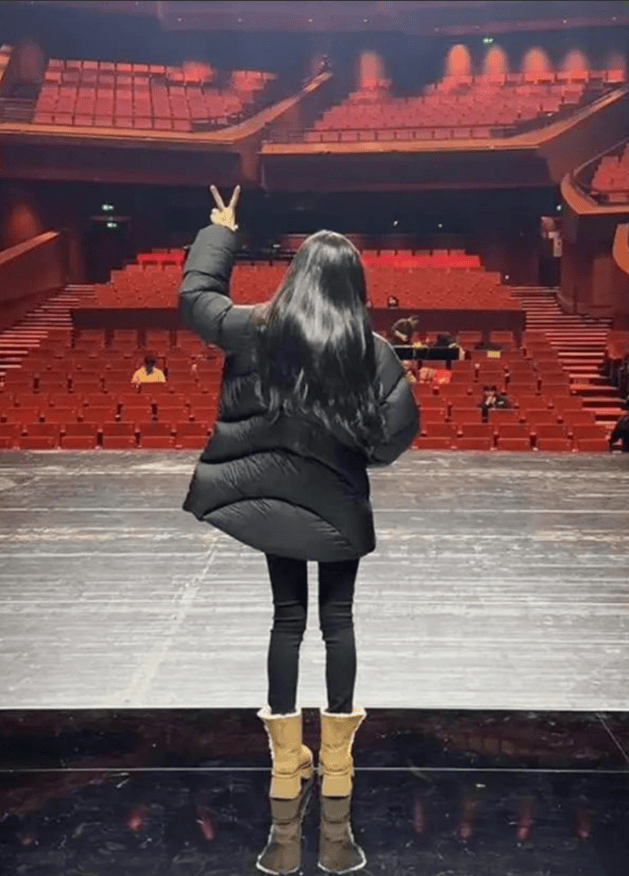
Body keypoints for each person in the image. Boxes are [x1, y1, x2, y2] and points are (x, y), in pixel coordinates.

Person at [179, 183, 419, 875]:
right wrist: (359, 451)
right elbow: (396, 433)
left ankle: (287, 765)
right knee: (337, 620)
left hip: (270, 503)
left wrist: (220, 231)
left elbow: (196, 300)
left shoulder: (258, 327)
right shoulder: (370, 350)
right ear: (353, 284)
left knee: (287, 619)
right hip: (338, 504)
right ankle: (337, 762)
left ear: (297, 275)